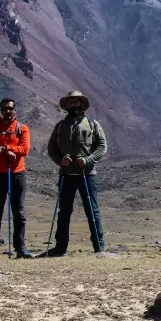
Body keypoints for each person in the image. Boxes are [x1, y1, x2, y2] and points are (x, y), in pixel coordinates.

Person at [41, 90, 108, 257]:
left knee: (92, 210)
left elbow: (102, 146)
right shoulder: (60, 126)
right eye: (70, 102)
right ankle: (60, 248)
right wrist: (59, 160)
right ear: (67, 105)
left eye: (76, 102)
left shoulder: (93, 124)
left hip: (87, 173)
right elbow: (51, 149)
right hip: (66, 174)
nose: (73, 104)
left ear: (81, 104)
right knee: (64, 211)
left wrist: (88, 160)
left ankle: (99, 248)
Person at [0, 98, 32, 259]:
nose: (7, 111)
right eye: (4, 109)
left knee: (19, 213)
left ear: (15, 110)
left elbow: (24, 149)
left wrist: (6, 148)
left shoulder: (22, 129)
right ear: (1, 111)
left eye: (10, 108)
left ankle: (20, 248)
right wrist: (0, 151)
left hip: (17, 173)